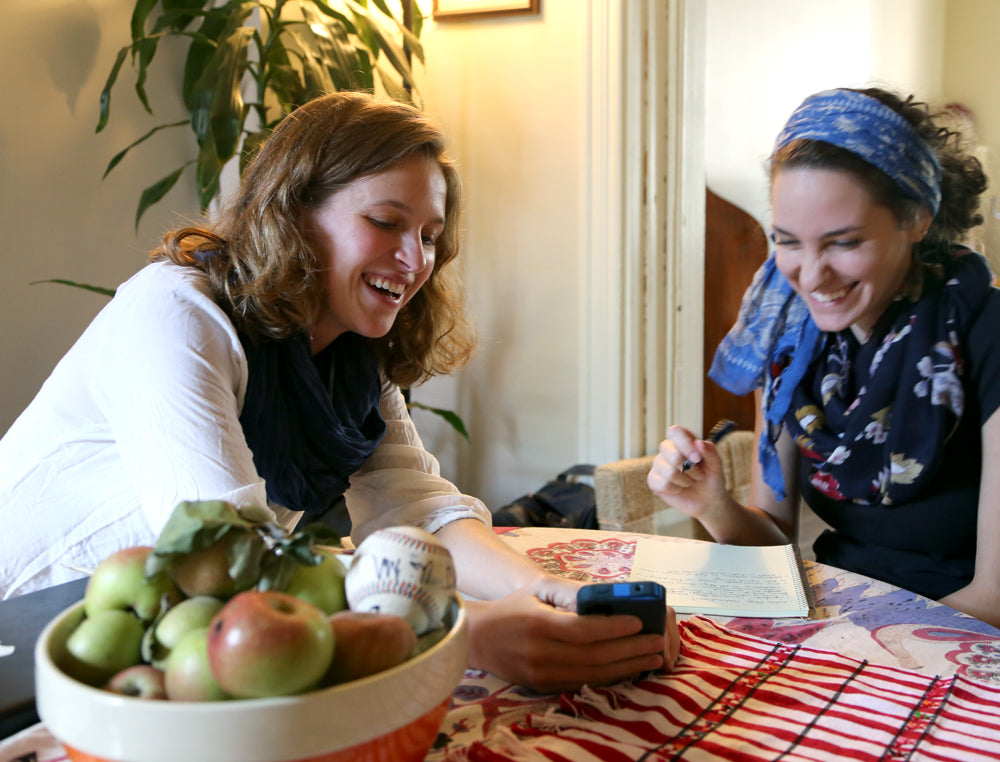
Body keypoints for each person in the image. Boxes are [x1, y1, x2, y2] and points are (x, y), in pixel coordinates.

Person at [0, 91, 678, 691]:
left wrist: (548, 593)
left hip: (163, 652)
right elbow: (228, 552)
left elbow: (417, 506)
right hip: (25, 641)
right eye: (386, 223)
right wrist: (467, 635)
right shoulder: (174, 313)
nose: (416, 262)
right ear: (292, 212)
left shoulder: (350, 353)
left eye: (430, 236)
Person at [648, 86, 1000, 629]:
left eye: (843, 242)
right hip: (841, 620)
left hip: (957, 641)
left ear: (917, 219)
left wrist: (844, 650)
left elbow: (992, 600)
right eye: (787, 241)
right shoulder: (788, 331)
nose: (810, 278)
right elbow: (775, 543)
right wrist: (713, 505)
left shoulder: (987, 331)